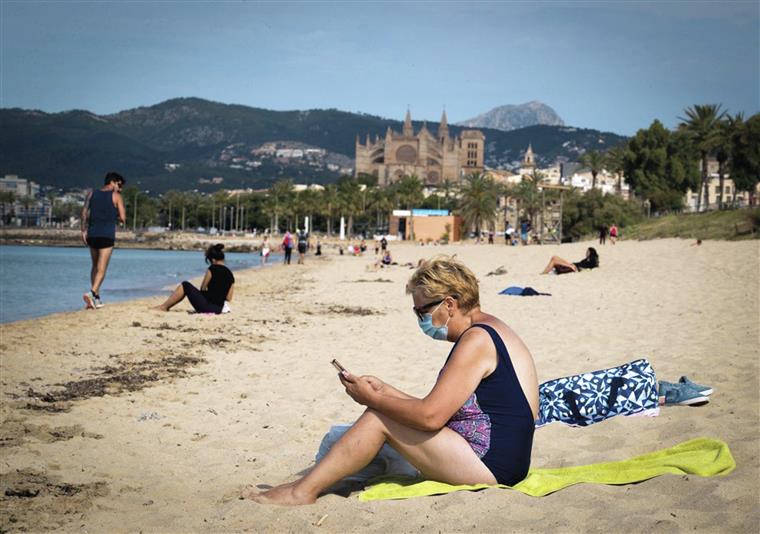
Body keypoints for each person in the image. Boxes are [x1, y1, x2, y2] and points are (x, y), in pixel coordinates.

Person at [246, 256, 538, 505]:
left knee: (377, 418)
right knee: (382, 410)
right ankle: (310, 484)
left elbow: (431, 417)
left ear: (449, 304)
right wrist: (387, 391)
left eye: (422, 311)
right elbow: (443, 408)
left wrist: (373, 399)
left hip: (492, 465)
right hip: (502, 456)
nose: (420, 318)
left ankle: (302, 492)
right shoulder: (490, 328)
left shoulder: (476, 340)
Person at [81, 172, 126, 309]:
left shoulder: (91, 194)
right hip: (106, 235)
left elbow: (83, 213)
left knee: (94, 266)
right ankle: (92, 292)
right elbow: (123, 218)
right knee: (102, 268)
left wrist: (83, 231)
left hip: (92, 234)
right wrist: (113, 216)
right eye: (120, 185)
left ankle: (96, 298)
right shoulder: (116, 196)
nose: (120, 188)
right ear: (112, 182)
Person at [153, 244, 234, 314]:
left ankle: (164, 307)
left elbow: (203, 288)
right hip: (218, 309)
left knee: (185, 285)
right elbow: (228, 298)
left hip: (206, 307)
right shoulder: (230, 275)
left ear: (213, 260)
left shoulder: (212, 269)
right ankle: (164, 307)